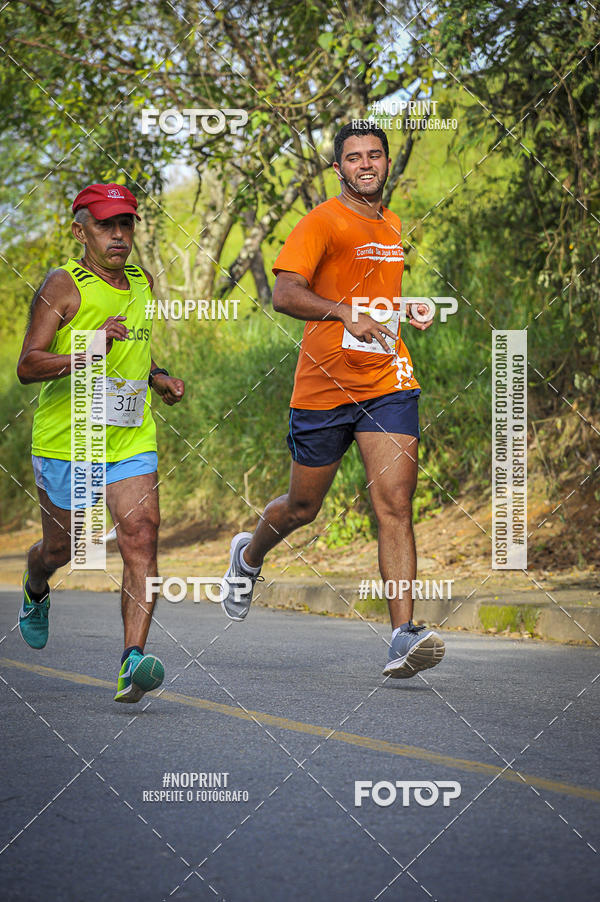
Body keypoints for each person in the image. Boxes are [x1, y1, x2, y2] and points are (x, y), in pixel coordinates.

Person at [221, 123, 445, 678]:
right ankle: (250, 555)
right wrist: (343, 313)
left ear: (388, 163)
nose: (365, 164)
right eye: (353, 157)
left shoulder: (391, 224)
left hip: (387, 382)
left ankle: (401, 636)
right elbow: (285, 292)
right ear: (339, 168)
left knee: (394, 502)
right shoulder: (321, 221)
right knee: (303, 507)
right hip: (323, 389)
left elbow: (372, 294)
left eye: (374, 155)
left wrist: (405, 309)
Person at [16, 182, 185, 702]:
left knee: (142, 533)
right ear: (79, 230)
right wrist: (89, 349)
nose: (118, 234)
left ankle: (131, 661)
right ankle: (36, 583)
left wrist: (157, 376)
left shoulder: (142, 281)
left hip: (130, 435)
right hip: (69, 441)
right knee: (63, 548)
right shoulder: (61, 286)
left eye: (126, 223)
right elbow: (28, 365)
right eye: (106, 224)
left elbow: (135, 350)